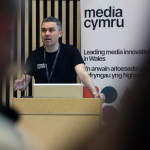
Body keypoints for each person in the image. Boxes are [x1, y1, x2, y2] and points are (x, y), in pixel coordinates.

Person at [13, 16, 105, 100]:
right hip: (41, 104)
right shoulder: (34, 55)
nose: (47, 33)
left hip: (68, 102)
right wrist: (21, 84)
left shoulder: (71, 51)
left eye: (51, 30)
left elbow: (82, 73)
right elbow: (24, 84)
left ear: (60, 34)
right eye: (44, 30)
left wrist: (94, 92)